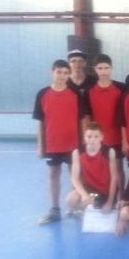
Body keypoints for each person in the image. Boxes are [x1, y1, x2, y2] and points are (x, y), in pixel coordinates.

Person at [33, 60, 84, 225]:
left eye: (65, 73)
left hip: (72, 144)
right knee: (53, 175)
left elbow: (82, 119)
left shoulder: (75, 93)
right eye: (59, 72)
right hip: (52, 144)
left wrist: (83, 142)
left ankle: (74, 207)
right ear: (52, 73)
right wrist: (41, 146)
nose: (62, 76)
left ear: (69, 75)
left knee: (74, 176)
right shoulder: (42, 94)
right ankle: (54, 210)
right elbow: (40, 122)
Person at [84, 54, 126, 191]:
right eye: (100, 68)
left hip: (116, 137)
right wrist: (89, 138)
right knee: (102, 169)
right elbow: (87, 117)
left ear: (111, 68)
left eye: (106, 68)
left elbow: (125, 115)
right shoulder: (89, 91)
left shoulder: (121, 88)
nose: (103, 71)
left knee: (118, 168)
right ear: (95, 69)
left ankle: (121, 197)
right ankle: (104, 195)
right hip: (98, 139)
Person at [65, 123, 118, 215]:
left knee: (102, 209)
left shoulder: (109, 152)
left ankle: (92, 207)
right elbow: (74, 178)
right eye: (89, 136)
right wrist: (84, 195)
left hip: (104, 192)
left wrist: (109, 202)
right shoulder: (77, 153)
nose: (92, 139)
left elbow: (114, 178)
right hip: (89, 191)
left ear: (101, 137)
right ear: (84, 137)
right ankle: (83, 210)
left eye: (96, 136)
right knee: (70, 200)